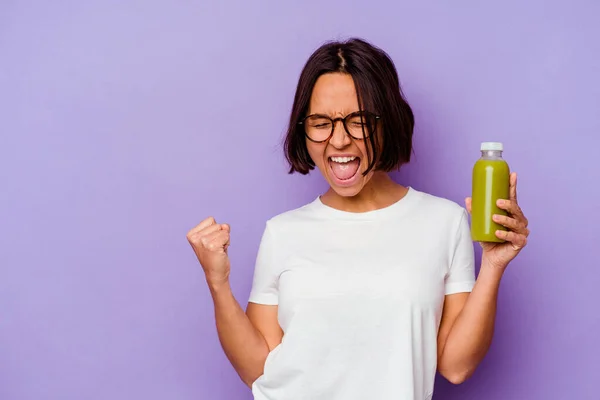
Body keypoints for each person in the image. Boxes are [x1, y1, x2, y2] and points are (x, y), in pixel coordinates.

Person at [187, 38, 530, 400]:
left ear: (387, 123)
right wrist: (218, 282)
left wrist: (493, 264)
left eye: (359, 121)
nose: (338, 141)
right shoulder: (282, 232)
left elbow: (456, 366)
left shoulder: (444, 222)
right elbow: (257, 368)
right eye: (321, 123)